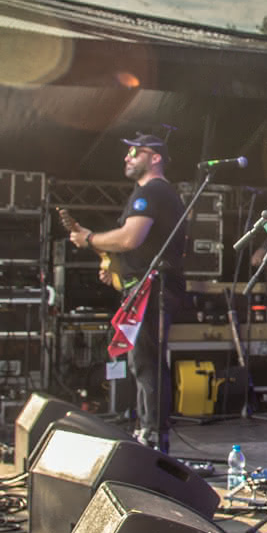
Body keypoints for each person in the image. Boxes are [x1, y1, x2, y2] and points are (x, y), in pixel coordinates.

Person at [67, 131, 188, 451]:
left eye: (135, 152)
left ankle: (152, 435)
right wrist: (117, 268)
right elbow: (140, 247)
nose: (127, 157)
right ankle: (148, 430)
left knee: (146, 361)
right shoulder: (150, 193)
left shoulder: (153, 191)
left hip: (155, 287)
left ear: (155, 157)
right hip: (145, 284)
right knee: (143, 362)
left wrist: (90, 239)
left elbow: (129, 238)